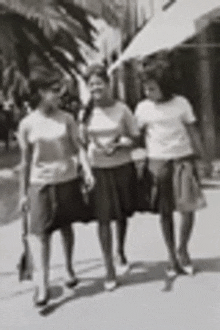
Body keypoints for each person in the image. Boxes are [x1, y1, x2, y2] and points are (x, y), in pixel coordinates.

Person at [18, 66, 95, 307]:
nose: (58, 95)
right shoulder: (27, 124)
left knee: (66, 227)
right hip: (40, 184)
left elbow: (78, 147)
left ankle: (70, 268)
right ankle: (43, 284)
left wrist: (87, 169)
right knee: (42, 234)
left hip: (67, 179)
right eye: (53, 90)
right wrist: (22, 194)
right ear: (40, 92)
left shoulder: (67, 118)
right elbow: (25, 162)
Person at [135, 60, 211, 278]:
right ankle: (171, 256)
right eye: (145, 88)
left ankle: (183, 249)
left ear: (164, 86)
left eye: (152, 88)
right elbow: (135, 134)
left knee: (188, 209)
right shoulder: (142, 108)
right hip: (157, 163)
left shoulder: (181, 104)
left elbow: (193, 130)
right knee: (165, 211)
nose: (147, 92)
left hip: (182, 160)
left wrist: (203, 159)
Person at [80, 64, 139, 291]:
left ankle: (120, 251)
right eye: (91, 84)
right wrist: (86, 171)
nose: (95, 87)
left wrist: (121, 143)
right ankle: (108, 269)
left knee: (121, 213)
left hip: (122, 167)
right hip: (98, 170)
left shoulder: (122, 109)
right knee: (103, 217)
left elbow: (136, 137)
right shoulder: (84, 113)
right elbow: (81, 146)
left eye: (99, 83)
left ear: (108, 83)